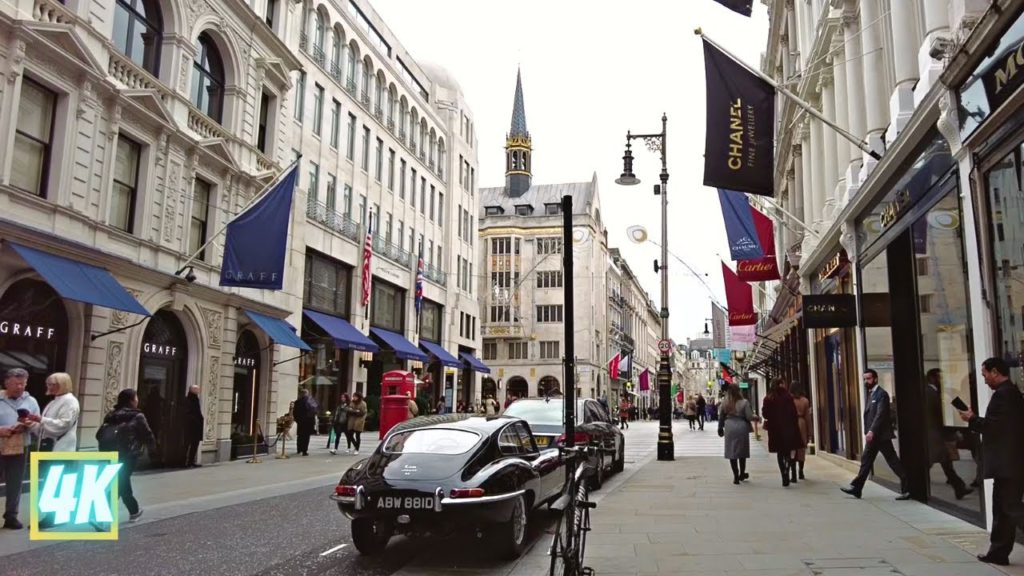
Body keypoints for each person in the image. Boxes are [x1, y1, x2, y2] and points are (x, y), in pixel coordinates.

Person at [957, 357, 1024, 566]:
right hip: (1008, 463)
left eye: (985, 374)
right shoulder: (1007, 393)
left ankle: (998, 551)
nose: (984, 380)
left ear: (995, 372)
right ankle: (998, 552)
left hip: (1009, 463)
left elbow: (996, 427)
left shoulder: (1005, 395)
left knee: (1010, 508)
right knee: (1004, 510)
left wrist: (972, 419)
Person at [841, 369, 910, 500]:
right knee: (866, 461)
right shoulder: (871, 394)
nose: (866, 381)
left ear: (876, 379)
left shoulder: (881, 394)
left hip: (880, 436)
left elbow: (880, 414)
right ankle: (857, 488)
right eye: (865, 379)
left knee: (892, 461)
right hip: (874, 436)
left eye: (869, 379)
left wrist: (872, 431)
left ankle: (908, 488)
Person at [99, 389, 156, 523]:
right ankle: (101, 514)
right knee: (120, 482)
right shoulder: (137, 416)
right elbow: (148, 435)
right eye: (136, 397)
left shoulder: (111, 415)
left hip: (111, 453)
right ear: (132, 400)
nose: (137, 400)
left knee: (121, 481)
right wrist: (153, 453)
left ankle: (134, 510)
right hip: (128, 454)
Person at [0, 368, 39, 529]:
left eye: (23, 384)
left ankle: (11, 516)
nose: (20, 387)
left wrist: (29, 425)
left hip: (20, 448)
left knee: (15, 483)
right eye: (17, 384)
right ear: (7, 383)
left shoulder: (31, 401)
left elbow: (37, 424)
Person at [925, 369, 972, 499]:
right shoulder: (930, 393)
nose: (943, 380)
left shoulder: (936, 392)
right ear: (932, 378)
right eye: (940, 378)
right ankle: (959, 487)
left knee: (944, 462)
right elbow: (940, 415)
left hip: (935, 435)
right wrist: (954, 431)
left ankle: (959, 487)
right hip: (933, 435)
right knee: (939, 461)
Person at [762, 378, 802, 487]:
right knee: (788, 451)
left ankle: (783, 473)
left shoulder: (768, 398)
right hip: (788, 428)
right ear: (781, 384)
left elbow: (765, 414)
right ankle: (787, 469)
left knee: (780, 453)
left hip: (775, 430)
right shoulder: (788, 397)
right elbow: (793, 413)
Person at [719, 384, 758, 484]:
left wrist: (720, 428)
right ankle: (742, 473)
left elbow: (721, 416)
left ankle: (735, 476)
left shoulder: (724, 402)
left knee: (732, 452)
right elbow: (749, 416)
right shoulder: (744, 402)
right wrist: (757, 417)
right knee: (742, 451)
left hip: (729, 427)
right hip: (742, 426)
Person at [791, 381, 813, 481]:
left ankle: (793, 473)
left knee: (792, 448)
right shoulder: (805, 400)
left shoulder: (789, 400)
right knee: (801, 449)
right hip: (802, 424)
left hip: (792, 423)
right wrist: (810, 432)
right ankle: (801, 471)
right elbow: (808, 417)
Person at [183, 385, 204, 467]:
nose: (199, 390)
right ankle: (185, 461)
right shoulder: (188, 400)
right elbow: (188, 413)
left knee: (194, 444)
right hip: (190, 427)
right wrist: (196, 421)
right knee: (187, 444)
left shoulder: (195, 399)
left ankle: (190, 461)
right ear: (193, 390)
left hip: (196, 427)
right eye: (197, 389)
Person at [293, 388, 317, 456]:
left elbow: (295, 413)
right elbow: (314, 411)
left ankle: (299, 449)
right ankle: (304, 450)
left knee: (300, 436)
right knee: (306, 437)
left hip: (300, 422)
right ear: (307, 394)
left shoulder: (297, 402)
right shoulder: (311, 401)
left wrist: (297, 420)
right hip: (308, 422)